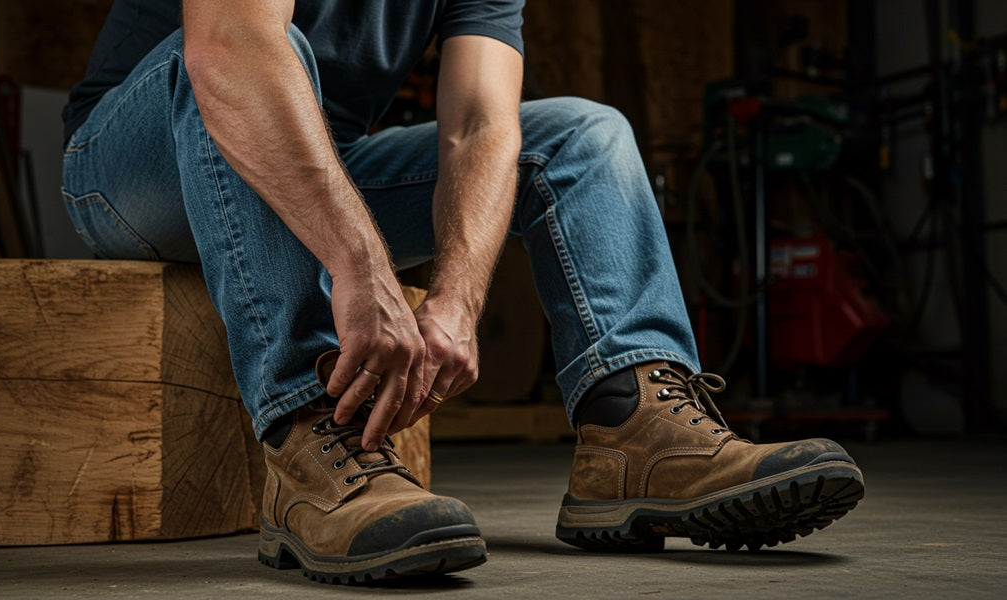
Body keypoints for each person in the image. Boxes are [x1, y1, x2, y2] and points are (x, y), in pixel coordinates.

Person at [61, 0, 864, 585]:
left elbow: (480, 122)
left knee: (582, 135)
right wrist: (361, 266)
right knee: (250, 56)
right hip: (129, 168)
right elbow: (228, 51)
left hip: (319, 159)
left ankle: (632, 430)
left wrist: (455, 299)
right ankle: (307, 434)